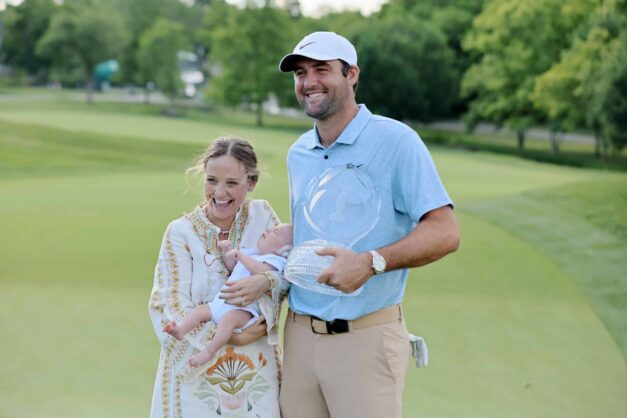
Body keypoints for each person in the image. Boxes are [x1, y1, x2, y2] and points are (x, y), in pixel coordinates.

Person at [278, 31, 461, 418]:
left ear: (352, 75)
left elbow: (445, 231)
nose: (308, 82)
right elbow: (313, 232)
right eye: (300, 73)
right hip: (297, 336)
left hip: (364, 338)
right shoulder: (299, 152)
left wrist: (370, 262)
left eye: (321, 70)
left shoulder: (397, 141)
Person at [148, 137, 289, 418]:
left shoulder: (262, 217)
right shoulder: (180, 232)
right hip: (197, 373)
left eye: (232, 183)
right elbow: (167, 305)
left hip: (256, 367)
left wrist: (266, 282)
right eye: (212, 180)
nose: (219, 192)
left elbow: (289, 274)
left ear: (251, 182)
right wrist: (231, 337)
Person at [162, 223, 293, 367]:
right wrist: (227, 252)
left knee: (228, 320)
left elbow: (262, 271)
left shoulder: (276, 261)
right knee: (200, 311)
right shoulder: (252, 253)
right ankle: (181, 329)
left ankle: (209, 351)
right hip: (221, 303)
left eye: (275, 232)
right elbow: (233, 268)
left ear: (283, 250)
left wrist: (241, 256)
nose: (267, 230)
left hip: (243, 309)